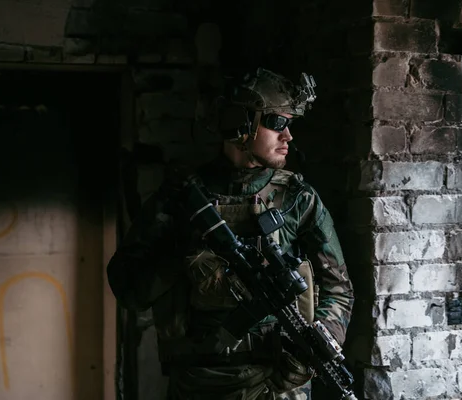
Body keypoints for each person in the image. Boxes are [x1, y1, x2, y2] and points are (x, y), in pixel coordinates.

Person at [107, 68, 354, 400]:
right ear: (241, 123)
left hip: (277, 383)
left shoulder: (297, 197)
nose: (288, 137)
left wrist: (311, 351)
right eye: (277, 123)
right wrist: (186, 259)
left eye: (289, 124)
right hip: (200, 382)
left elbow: (339, 289)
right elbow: (129, 289)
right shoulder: (181, 198)